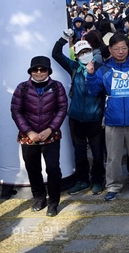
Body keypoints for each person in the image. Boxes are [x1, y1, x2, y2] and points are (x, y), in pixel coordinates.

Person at [87, 32, 129, 201]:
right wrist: (91, 75)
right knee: (113, 156)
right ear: (110, 49)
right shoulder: (105, 69)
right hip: (112, 119)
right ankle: (113, 186)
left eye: (124, 48)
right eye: (117, 49)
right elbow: (93, 92)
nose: (121, 52)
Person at [10, 56, 68, 217]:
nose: (39, 72)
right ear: (31, 71)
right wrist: (29, 132)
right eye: (35, 69)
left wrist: (50, 129)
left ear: (48, 71)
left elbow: (62, 108)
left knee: (53, 169)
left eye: (43, 69)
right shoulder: (22, 88)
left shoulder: (57, 87)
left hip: (51, 135)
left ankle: (53, 202)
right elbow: (16, 111)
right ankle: (39, 198)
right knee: (33, 168)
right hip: (29, 137)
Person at [52, 32, 105, 196]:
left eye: (87, 52)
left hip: (95, 118)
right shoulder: (74, 67)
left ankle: (98, 180)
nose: (84, 55)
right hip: (75, 118)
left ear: (91, 51)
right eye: (81, 53)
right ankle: (82, 180)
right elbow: (56, 54)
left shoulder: (101, 69)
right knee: (80, 152)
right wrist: (63, 38)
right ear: (76, 55)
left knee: (97, 153)